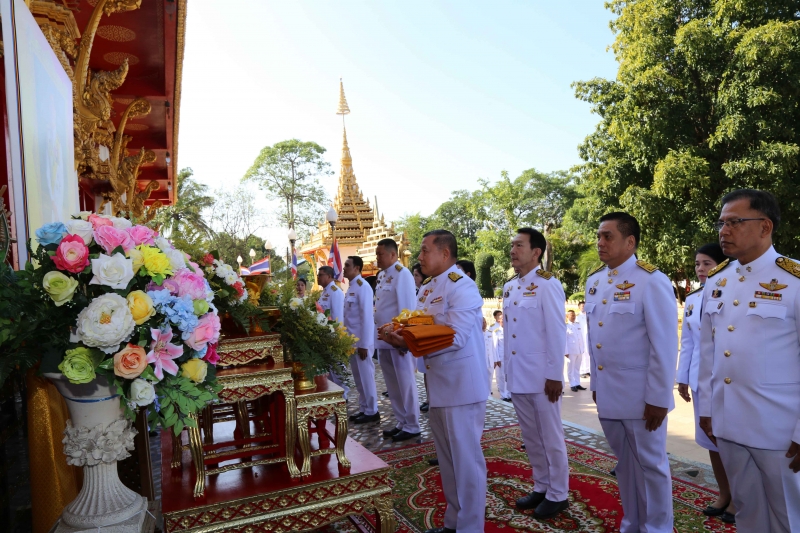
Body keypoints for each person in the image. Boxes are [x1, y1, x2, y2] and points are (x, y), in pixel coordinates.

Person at [698, 189, 800, 533]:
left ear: (764, 226)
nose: (723, 231)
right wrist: (707, 409)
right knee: (747, 513)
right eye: (722, 223)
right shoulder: (718, 281)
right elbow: (708, 353)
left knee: (790, 517)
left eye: (735, 222)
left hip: (780, 431)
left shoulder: (794, 280)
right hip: (729, 422)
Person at [385, 230, 488, 533]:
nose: (419, 256)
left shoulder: (462, 287)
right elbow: (420, 325)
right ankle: (454, 522)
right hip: (439, 384)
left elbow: (454, 337)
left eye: (425, 250)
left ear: (445, 254)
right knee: (448, 460)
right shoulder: (428, 288)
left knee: (467, 463)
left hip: (462, 386)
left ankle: (470, 528)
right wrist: (401, 337)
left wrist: (408, 341)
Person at [584, 212, 678, 533]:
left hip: (642, 399)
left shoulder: (651, 280)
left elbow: (664, 345)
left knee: (652, 467)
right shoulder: (594, 281)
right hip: (609, 394)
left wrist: (658, 398)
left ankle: (658, 528)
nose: (600, 242)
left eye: (608, 236)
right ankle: (632, 524)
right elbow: (593, 337)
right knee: (625, 466)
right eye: (599, 236)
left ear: (630, 241)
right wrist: (596, 384)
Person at [503, 228, 570, 519]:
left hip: (543, 378)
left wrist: (555, 374)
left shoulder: (547, 284)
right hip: (519, 375)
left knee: (551, 437)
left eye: (519, 245)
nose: (513, 250)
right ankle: (541, 486)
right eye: (512, 245)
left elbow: (557, 331)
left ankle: (559, 494)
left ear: (536, 252)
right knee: (531, 437)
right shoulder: (510, 287)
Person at [675, 243, 736, 522]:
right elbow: (688, 343)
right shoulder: (693, 299)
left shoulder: (734, 293)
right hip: (701, 382)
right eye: (698, 264)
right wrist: (682, 378)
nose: (700, 269)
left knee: (731, 443)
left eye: (707, 263)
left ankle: (739, 499)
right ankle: (724, 493)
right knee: (710, 442)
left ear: (723, 265)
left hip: (728, 381)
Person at [374, 239, 421, 442]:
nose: (377, 258)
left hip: (397, 339)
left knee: (405, 382)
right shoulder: (383, 275)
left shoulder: (402, 274)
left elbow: (407, 308)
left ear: (393, 255)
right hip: (384, 338)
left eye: (380, 254)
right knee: (392, 384)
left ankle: (412, 424)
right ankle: (401, 421)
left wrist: (404, 337)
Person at [343, 256, 379, 424]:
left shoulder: (362, 287)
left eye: (347, 266)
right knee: (358, 378)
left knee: (366, 376)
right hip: (352, 342)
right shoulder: (351, 288)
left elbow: (366, 317)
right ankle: (364, 407)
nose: (344, 268)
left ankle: (372, 410)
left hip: (361, 342)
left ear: (357, 268)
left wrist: (364, 343)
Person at [318, 266, 349, 399]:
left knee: (338, 367)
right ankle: (334, 392)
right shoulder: (325, 292)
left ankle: (344, 394)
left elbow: (337, 316)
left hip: (334, 334)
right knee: (330, 368)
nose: (318, 277)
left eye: (321, 274)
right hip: (325, 335)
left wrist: (336, 335)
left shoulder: (335, 291)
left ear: (329, 276)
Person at [412, 263, 431, 413]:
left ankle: (432, 398)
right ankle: (429, 397)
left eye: (417, 275)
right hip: (421, 335)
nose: (414, 278)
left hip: (429, 336)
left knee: (430, 371)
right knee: (425, 370)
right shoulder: (421, 290)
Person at [489, 310, 510, 401]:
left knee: (508, 375)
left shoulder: (509, 331)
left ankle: (508, 393)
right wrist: (496, 359)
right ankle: (503, 394)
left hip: (509, 357)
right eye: (501, 321)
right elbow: (495, 346)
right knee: (501, 376)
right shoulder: (496, 331)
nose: (502, 322)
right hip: (500, 357)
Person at [564, 309, 586, 392]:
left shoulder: (578, 325)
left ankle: (577, 383)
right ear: (567, 316)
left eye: (574, 315)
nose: (573, 317)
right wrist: (566, 352)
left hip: (579, 350)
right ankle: (572, 384)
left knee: (577, 368)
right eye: (571, 315)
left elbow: (581, 338)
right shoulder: (566, 326)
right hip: (571, 351)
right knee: (571, 368)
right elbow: (564, 340)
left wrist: (582, 348)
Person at [482, 318, 497, 398]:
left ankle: (489, 395)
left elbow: (493, 348)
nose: (484, 324)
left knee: (490, 378)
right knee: (482, 379)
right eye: (482, 322)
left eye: (485, 322)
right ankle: (484, 395)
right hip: (482, 360)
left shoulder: (490, 333)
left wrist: (495, 360)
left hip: (490, 360)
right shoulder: (477, 334)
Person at [577, 301, 590, 377]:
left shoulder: (589, 316)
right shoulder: (577, 318)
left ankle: (588, 369)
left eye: (584, 306)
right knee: (582, 353)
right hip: (581, 337)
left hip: (588, 337)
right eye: (582, 306)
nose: (583, 307)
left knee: (588, 353)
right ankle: (582, 371)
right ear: (579, 307)